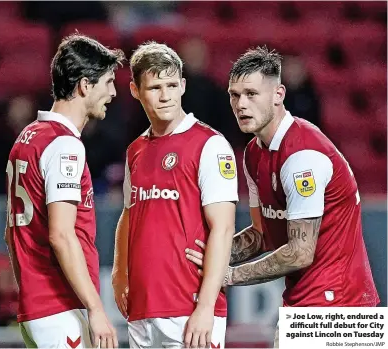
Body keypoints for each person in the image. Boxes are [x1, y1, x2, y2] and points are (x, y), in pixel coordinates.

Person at [185, 46, 379, 347]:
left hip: (340, 309)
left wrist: (227, 275)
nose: (241, 105)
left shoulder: (302, 155)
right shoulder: (253, 154)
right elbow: (263, 234)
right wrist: (214, 255)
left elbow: (301, 251)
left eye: (251, 94)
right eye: (234, 95)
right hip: (306, 305)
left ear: (278, 94)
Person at [111, 42, 238, 349]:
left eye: (171, 84)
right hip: (142, 308)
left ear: (183, 85)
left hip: (189, 308)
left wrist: (206, 306)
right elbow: (129, 214)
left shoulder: (210, 145)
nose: (165, 95)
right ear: (135, 90)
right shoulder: (135, 151)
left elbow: (223, 228)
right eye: (155, 87)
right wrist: (119, 273)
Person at [4, 34, 124, 348]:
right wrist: (97, 309)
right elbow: (61, 234)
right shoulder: (65, 146)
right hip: (59, 306)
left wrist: (31, 295)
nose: (112, 92)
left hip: (37, 308)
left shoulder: (27, 137)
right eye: (108, 82)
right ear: (85, 85)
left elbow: (10, 232)